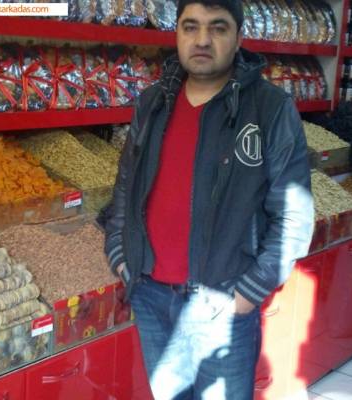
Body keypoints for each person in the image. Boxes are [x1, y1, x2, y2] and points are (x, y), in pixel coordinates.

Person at [103, 0, 314, 398]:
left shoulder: (269, 108)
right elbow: (125, 186)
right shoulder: (152, 102)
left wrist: (248, 294)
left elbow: (293, 214)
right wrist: (121, 257)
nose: (202, 39)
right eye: (191, 27)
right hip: (150, 295)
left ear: (238, 37)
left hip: (222, 303)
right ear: (177, 33)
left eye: (217, 28)